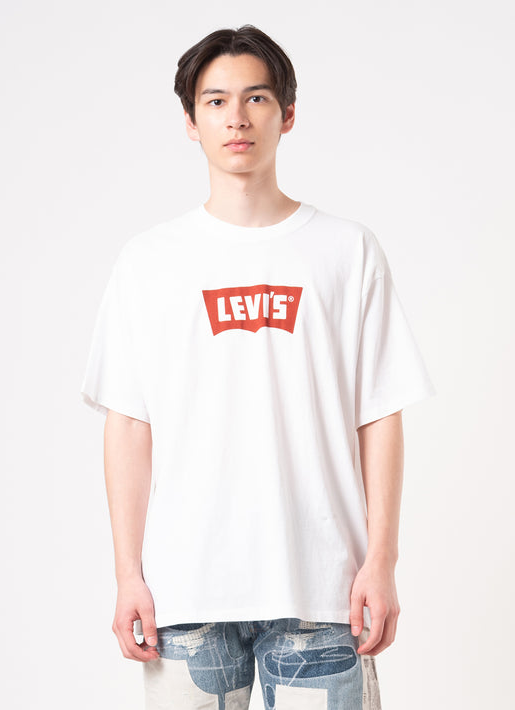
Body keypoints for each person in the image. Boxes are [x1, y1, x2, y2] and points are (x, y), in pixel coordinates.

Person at [80, 24, 436, 710]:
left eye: (256, 98)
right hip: (186, 594)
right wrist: (128, 574)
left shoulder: (347, 250)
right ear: (190, 122)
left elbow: (379, 414)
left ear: (287, 113)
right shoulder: (149, 262)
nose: (236, 117)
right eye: (215, 101)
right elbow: (128, 422)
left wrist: (382, 560)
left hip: (323, 590)